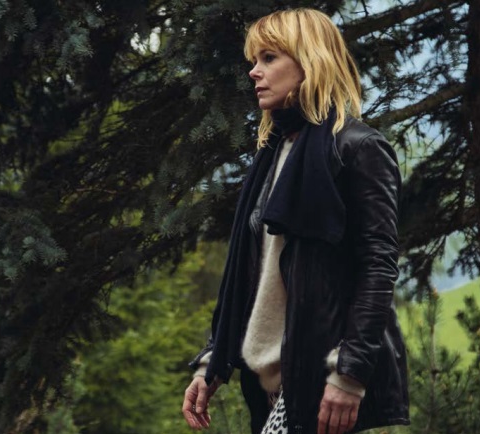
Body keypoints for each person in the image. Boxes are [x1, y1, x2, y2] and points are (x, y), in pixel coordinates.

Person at [182, 8, 409, 434]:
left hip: (321, 384)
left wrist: (350, 373)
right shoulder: (272, 154)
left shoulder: (358, 149)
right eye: (254, 60)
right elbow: (250, 273)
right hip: (268, 385)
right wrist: (212, 362)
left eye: (269, 58)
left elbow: (377, 267)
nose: (254, 72)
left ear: (310, 62)